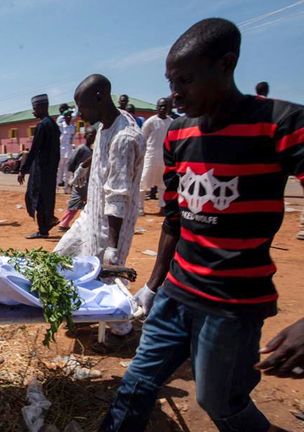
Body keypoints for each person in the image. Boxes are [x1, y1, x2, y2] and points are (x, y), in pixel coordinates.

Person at [102, 18, 304, 432]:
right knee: (137, 382)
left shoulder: (282, 125)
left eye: (186, 81)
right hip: (177, 292)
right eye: (170, 82)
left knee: (219, 401)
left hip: (232, 304)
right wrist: (153, 286)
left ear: (226, 65)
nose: (175, 94)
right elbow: (174, 220)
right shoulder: (178, 134)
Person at [54, 74, 144, 269]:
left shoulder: (124, 139)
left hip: (107, 228)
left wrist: (112, 248)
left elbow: (117, 198)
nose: (79, 114)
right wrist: (86, 165)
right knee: (57, 261)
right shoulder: (107, 122)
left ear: (99, 97)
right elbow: (106, 155)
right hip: (89, 214)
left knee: (96, 282)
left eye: (82, 106)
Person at [17, 94, 61, 239]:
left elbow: (35, 149)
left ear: (42, 107)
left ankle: (44, 228)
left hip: (41, 169)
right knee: (47, 197)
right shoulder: (53, 124)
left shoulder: (42, 125)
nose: (33, 111)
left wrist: (23, 170)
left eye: (35, 108)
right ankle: (46, 224)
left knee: (36, 197)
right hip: (50, 169)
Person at [138, 97, 173, 216]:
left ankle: (162, 207)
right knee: (143, 182)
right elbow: (142, 139)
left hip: (165, 157)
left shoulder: (171, 122)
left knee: (163, 184)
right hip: (150, 155)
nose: (163, 108)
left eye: (165, 106)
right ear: (157, 108)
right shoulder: (150, 122)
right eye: (160, 106)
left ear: (168, 108)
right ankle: (140, 207)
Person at [57, 126, 95, 231]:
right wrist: (72, 178)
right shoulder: (81, 149)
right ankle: (63, 224)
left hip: (87, 181)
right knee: (76, 201)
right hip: (79, 180)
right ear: (85, 136)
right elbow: (71, 163)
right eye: (90, 135)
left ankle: (86, 223)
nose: (93, 137)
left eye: (94, 135)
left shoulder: (92, 150)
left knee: (86, 202)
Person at [57, 110, 76, 192]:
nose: (69, 117)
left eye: (70, 115)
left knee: (67, 170)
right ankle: (56, 187)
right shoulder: (60, 126)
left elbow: (72, 139)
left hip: (69, 150)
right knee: (59, 169)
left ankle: (66, 188)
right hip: (61, 150)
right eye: (67, 115)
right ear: (64, 117)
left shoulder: (73, 127)